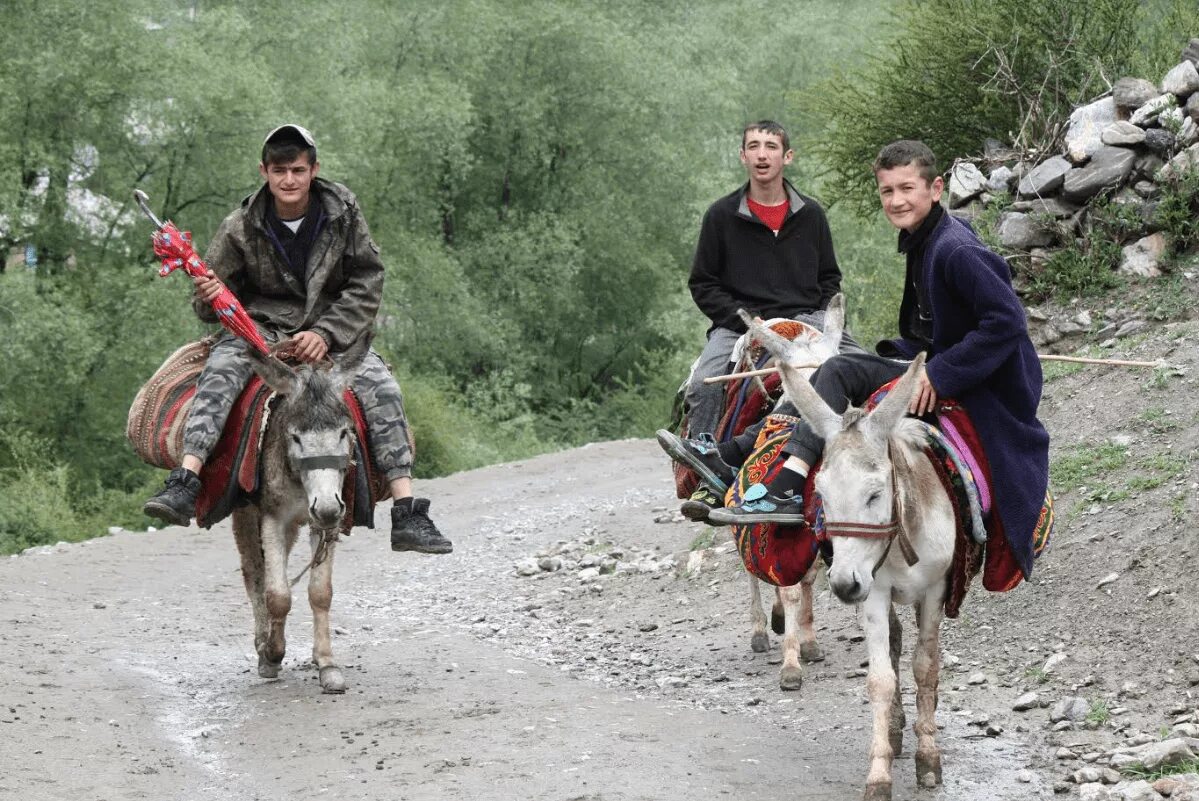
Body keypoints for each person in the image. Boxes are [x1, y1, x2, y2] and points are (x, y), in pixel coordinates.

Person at [661, 139, 1050, 579]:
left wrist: (938, 375)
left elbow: (1006, 322)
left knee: (839, 371)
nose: (897, 201)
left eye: (907, 188)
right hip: (941, 361)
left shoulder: (953, 249)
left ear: (936, 188)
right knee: (835, 372)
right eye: (887, 191)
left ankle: (784, 480)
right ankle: (734, 455)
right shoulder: (924, 238)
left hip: (982, 387)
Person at [143, 123, 452, 555]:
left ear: (313, 170)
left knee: (382, 386)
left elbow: (368, 278)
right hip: (260, 333)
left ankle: (407, 511)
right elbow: (207, 304)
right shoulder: (240, 226)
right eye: (279, 170)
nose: (289, 180)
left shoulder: (342, 213)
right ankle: (186, 480)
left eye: (297, 170)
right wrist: (210, 296)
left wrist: (326, 333)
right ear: (264, 171)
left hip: (334, 332)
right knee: (220, 375)